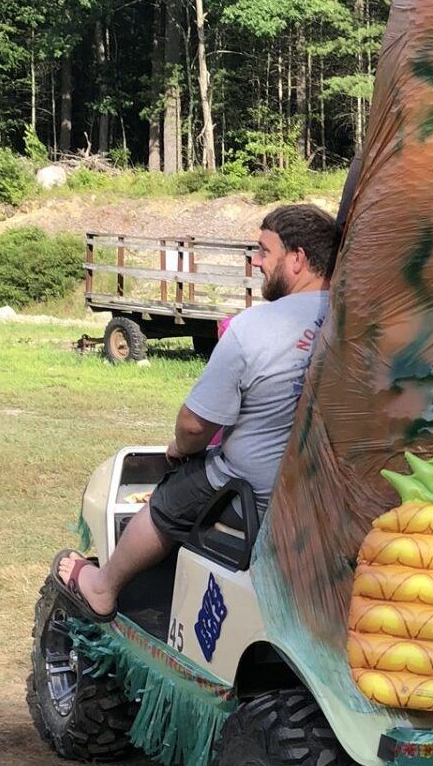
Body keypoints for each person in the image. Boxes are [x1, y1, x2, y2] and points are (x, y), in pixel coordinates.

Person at [50, 203, 339, 622]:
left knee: (171, 494)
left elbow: (194, 425)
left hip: (255, 495)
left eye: (264, 251)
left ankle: (103, 587)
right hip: (324, 494)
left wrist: (181, 448)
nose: (256, 261)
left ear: (297, 259)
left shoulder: (254, 327)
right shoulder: (360, 324)